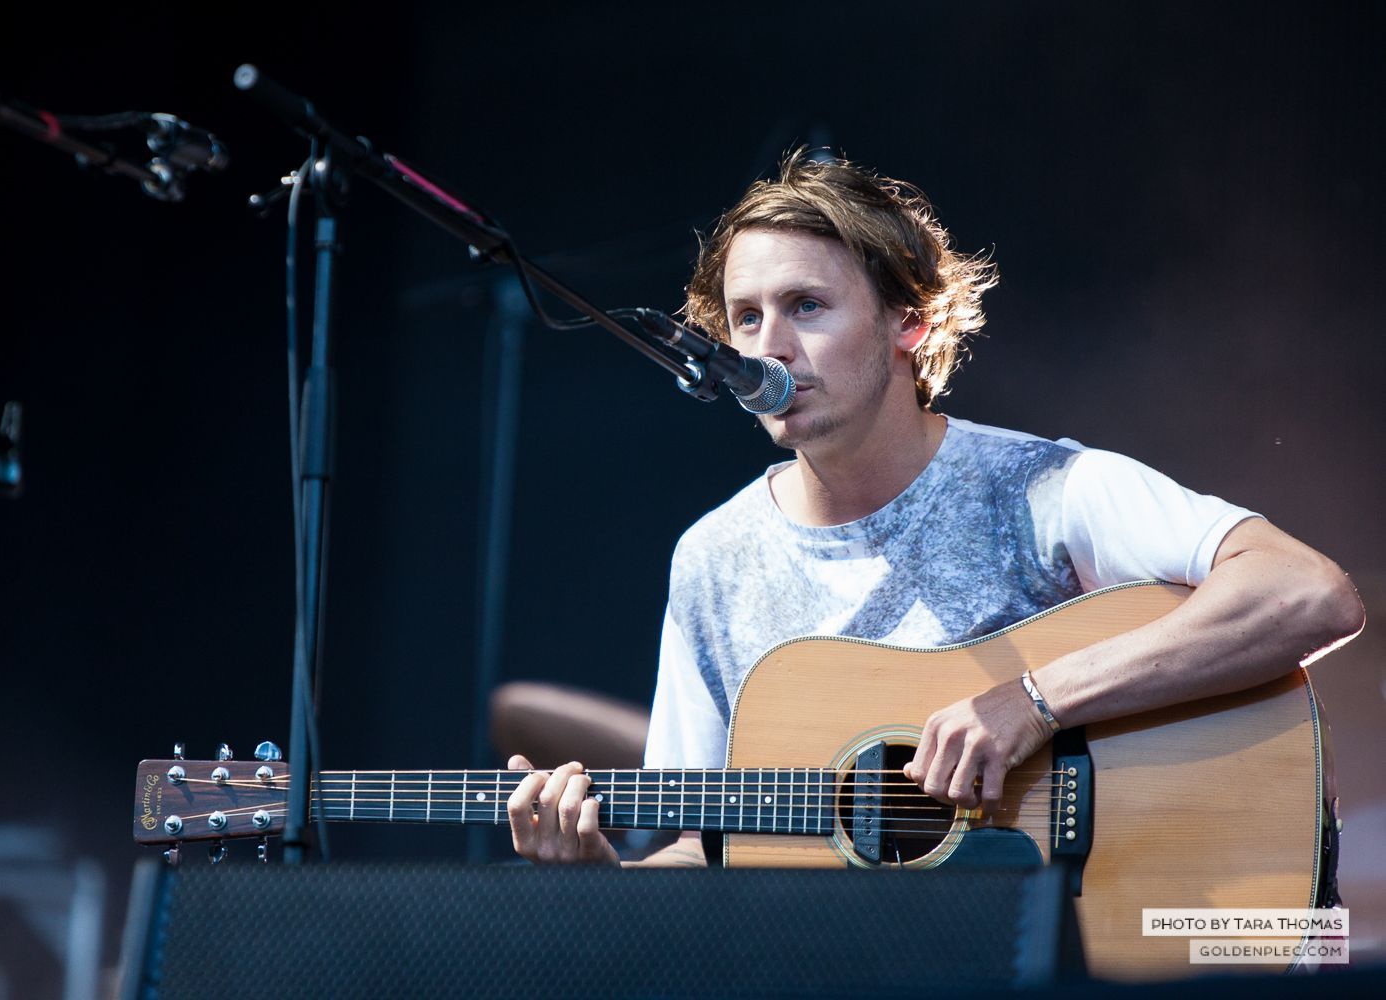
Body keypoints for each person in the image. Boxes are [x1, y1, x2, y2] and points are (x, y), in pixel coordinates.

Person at [505, 149, 1365, 867]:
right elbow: (712, 845)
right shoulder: (713, 556)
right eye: (744, 317)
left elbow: (1310, 595)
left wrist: (1034, 701)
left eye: (806, 306)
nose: (767, 344)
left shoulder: (1047, 489)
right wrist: (602, 880)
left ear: (906, 321)